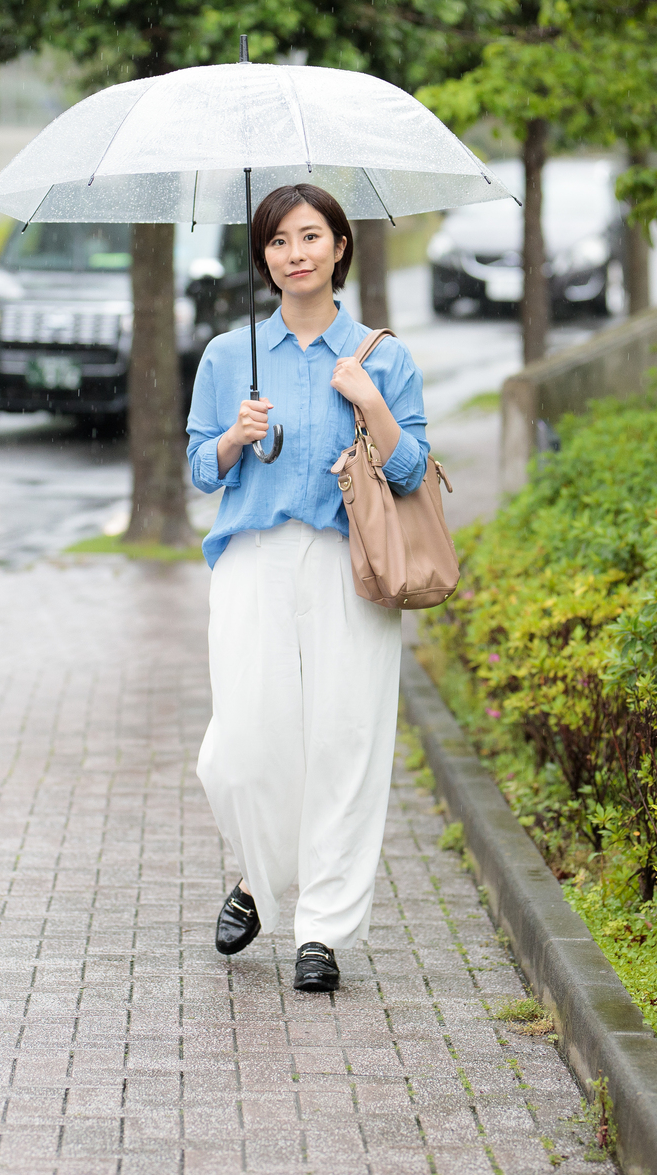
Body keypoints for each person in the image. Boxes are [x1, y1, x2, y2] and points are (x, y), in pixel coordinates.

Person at [185, 183, 429, 993]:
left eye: (311, 236)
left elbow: (411, 470)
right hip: (252, 558)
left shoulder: (380, 357)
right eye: (280, 241)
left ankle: (322, 930)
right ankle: (259, 876)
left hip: (347, 563)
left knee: (344, 743)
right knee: (241, 748)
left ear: (339, 247)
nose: (296, 253)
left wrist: (370, 406)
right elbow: (195, 466)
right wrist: (231, 438)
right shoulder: (230, 356)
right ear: (263, 258)